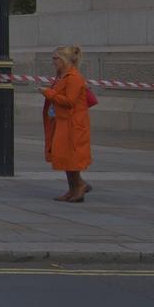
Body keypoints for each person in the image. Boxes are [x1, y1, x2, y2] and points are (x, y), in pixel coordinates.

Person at [39, 44, 93, 203]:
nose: (53, 61)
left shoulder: (74, 77)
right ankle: (73, 188)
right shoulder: (62, 76)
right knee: (64, 155)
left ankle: (80, 185)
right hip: (63, 121)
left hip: (73, 122)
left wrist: (48, 93)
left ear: (66, 59)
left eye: (55, 58)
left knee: (71, 156)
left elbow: (70, 100)